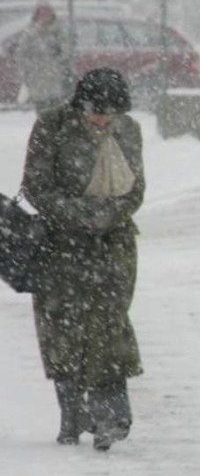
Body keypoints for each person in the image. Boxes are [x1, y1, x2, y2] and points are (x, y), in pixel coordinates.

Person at [21, 67, 145, 451]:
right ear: (80, 105)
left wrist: (107, 216)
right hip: (61, 246)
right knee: (63, 329)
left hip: (113, 245)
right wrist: (79, 216)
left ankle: (110, 415)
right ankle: (73, 414)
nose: (103, 120)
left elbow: (135, 188)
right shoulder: (52, 125)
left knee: (110, 325)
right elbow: (36, 185)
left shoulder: (128, 130)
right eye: (96, 111)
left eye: (111, 113)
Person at [13, 2, 71, 114]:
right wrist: (30, 66)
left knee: (55, 105)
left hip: (54, 75)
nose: (44, 17)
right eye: (42, 14)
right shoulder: (30, 33)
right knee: (41, 106)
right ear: (37, 16)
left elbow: (66, 51)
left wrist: (58, 61)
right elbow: (21, 53)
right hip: (37, 76)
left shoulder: (58, 32)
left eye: (47, 13)